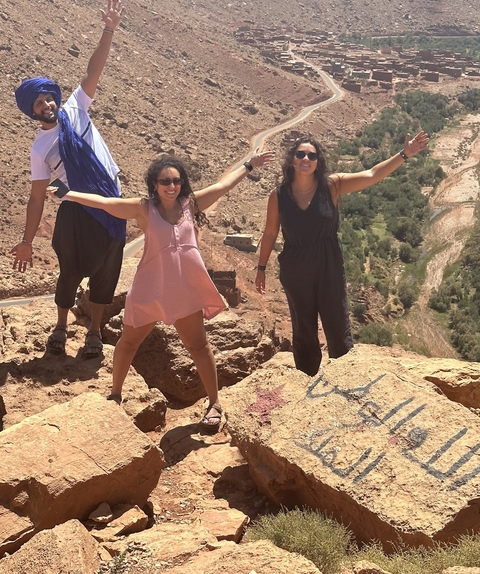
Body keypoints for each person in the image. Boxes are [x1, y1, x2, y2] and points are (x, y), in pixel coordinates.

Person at [49, 148, 273, 430]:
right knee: (128, 343)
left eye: (176, 181)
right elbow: (104, 203)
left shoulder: (191, 204)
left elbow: (223, 186)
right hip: (151, 289)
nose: (171, 186)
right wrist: (67, 194)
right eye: (165, 181)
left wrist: (249, 165)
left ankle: (214, 403)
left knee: (199, 346)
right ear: (154, 184)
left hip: (184, 290)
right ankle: (115, 396)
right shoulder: (144, 208)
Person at [255, 132, 429, 376]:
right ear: (292, 159)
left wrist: (404, 154)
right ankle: (307, 379)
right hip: (296, 269)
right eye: (301, 154)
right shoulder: (279, 195)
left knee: (337, 323)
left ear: (318, 161)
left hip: (329, 265)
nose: (306, 159)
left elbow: (372, 175)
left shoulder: (331, 185)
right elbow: (270, 233)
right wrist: (261, 268)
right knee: (303, 326)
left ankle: (345, 379)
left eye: (312, 155)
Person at [11, 0, 125, 358]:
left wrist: (108, 30)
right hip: (76, 208)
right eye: (38, 104)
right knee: (70, 269)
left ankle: (94, 331)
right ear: (32, 113)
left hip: (112, 200)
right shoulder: (39, 147)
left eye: (47, 98)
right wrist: (27, 240)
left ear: (54, 97)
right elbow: (37, 197)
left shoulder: (76, 107)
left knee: (108, 267)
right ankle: (60, 326)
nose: (45, 105)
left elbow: (94, 69)